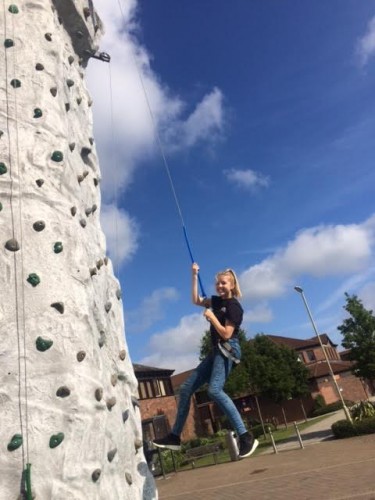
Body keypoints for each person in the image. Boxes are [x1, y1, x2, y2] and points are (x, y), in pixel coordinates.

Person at [153, 262, 258, 459]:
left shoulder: (235, 307)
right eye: (218, 283)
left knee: (214, 390)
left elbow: (227, 334)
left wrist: (212, 318)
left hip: (228, 349)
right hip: (215, 351)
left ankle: (245, 436)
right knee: (185, 389)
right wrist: (194, 275)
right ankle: (174, 437)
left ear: (233, 285)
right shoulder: (217, 302)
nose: (219, 286)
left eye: (224, 283)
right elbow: (195, 300)